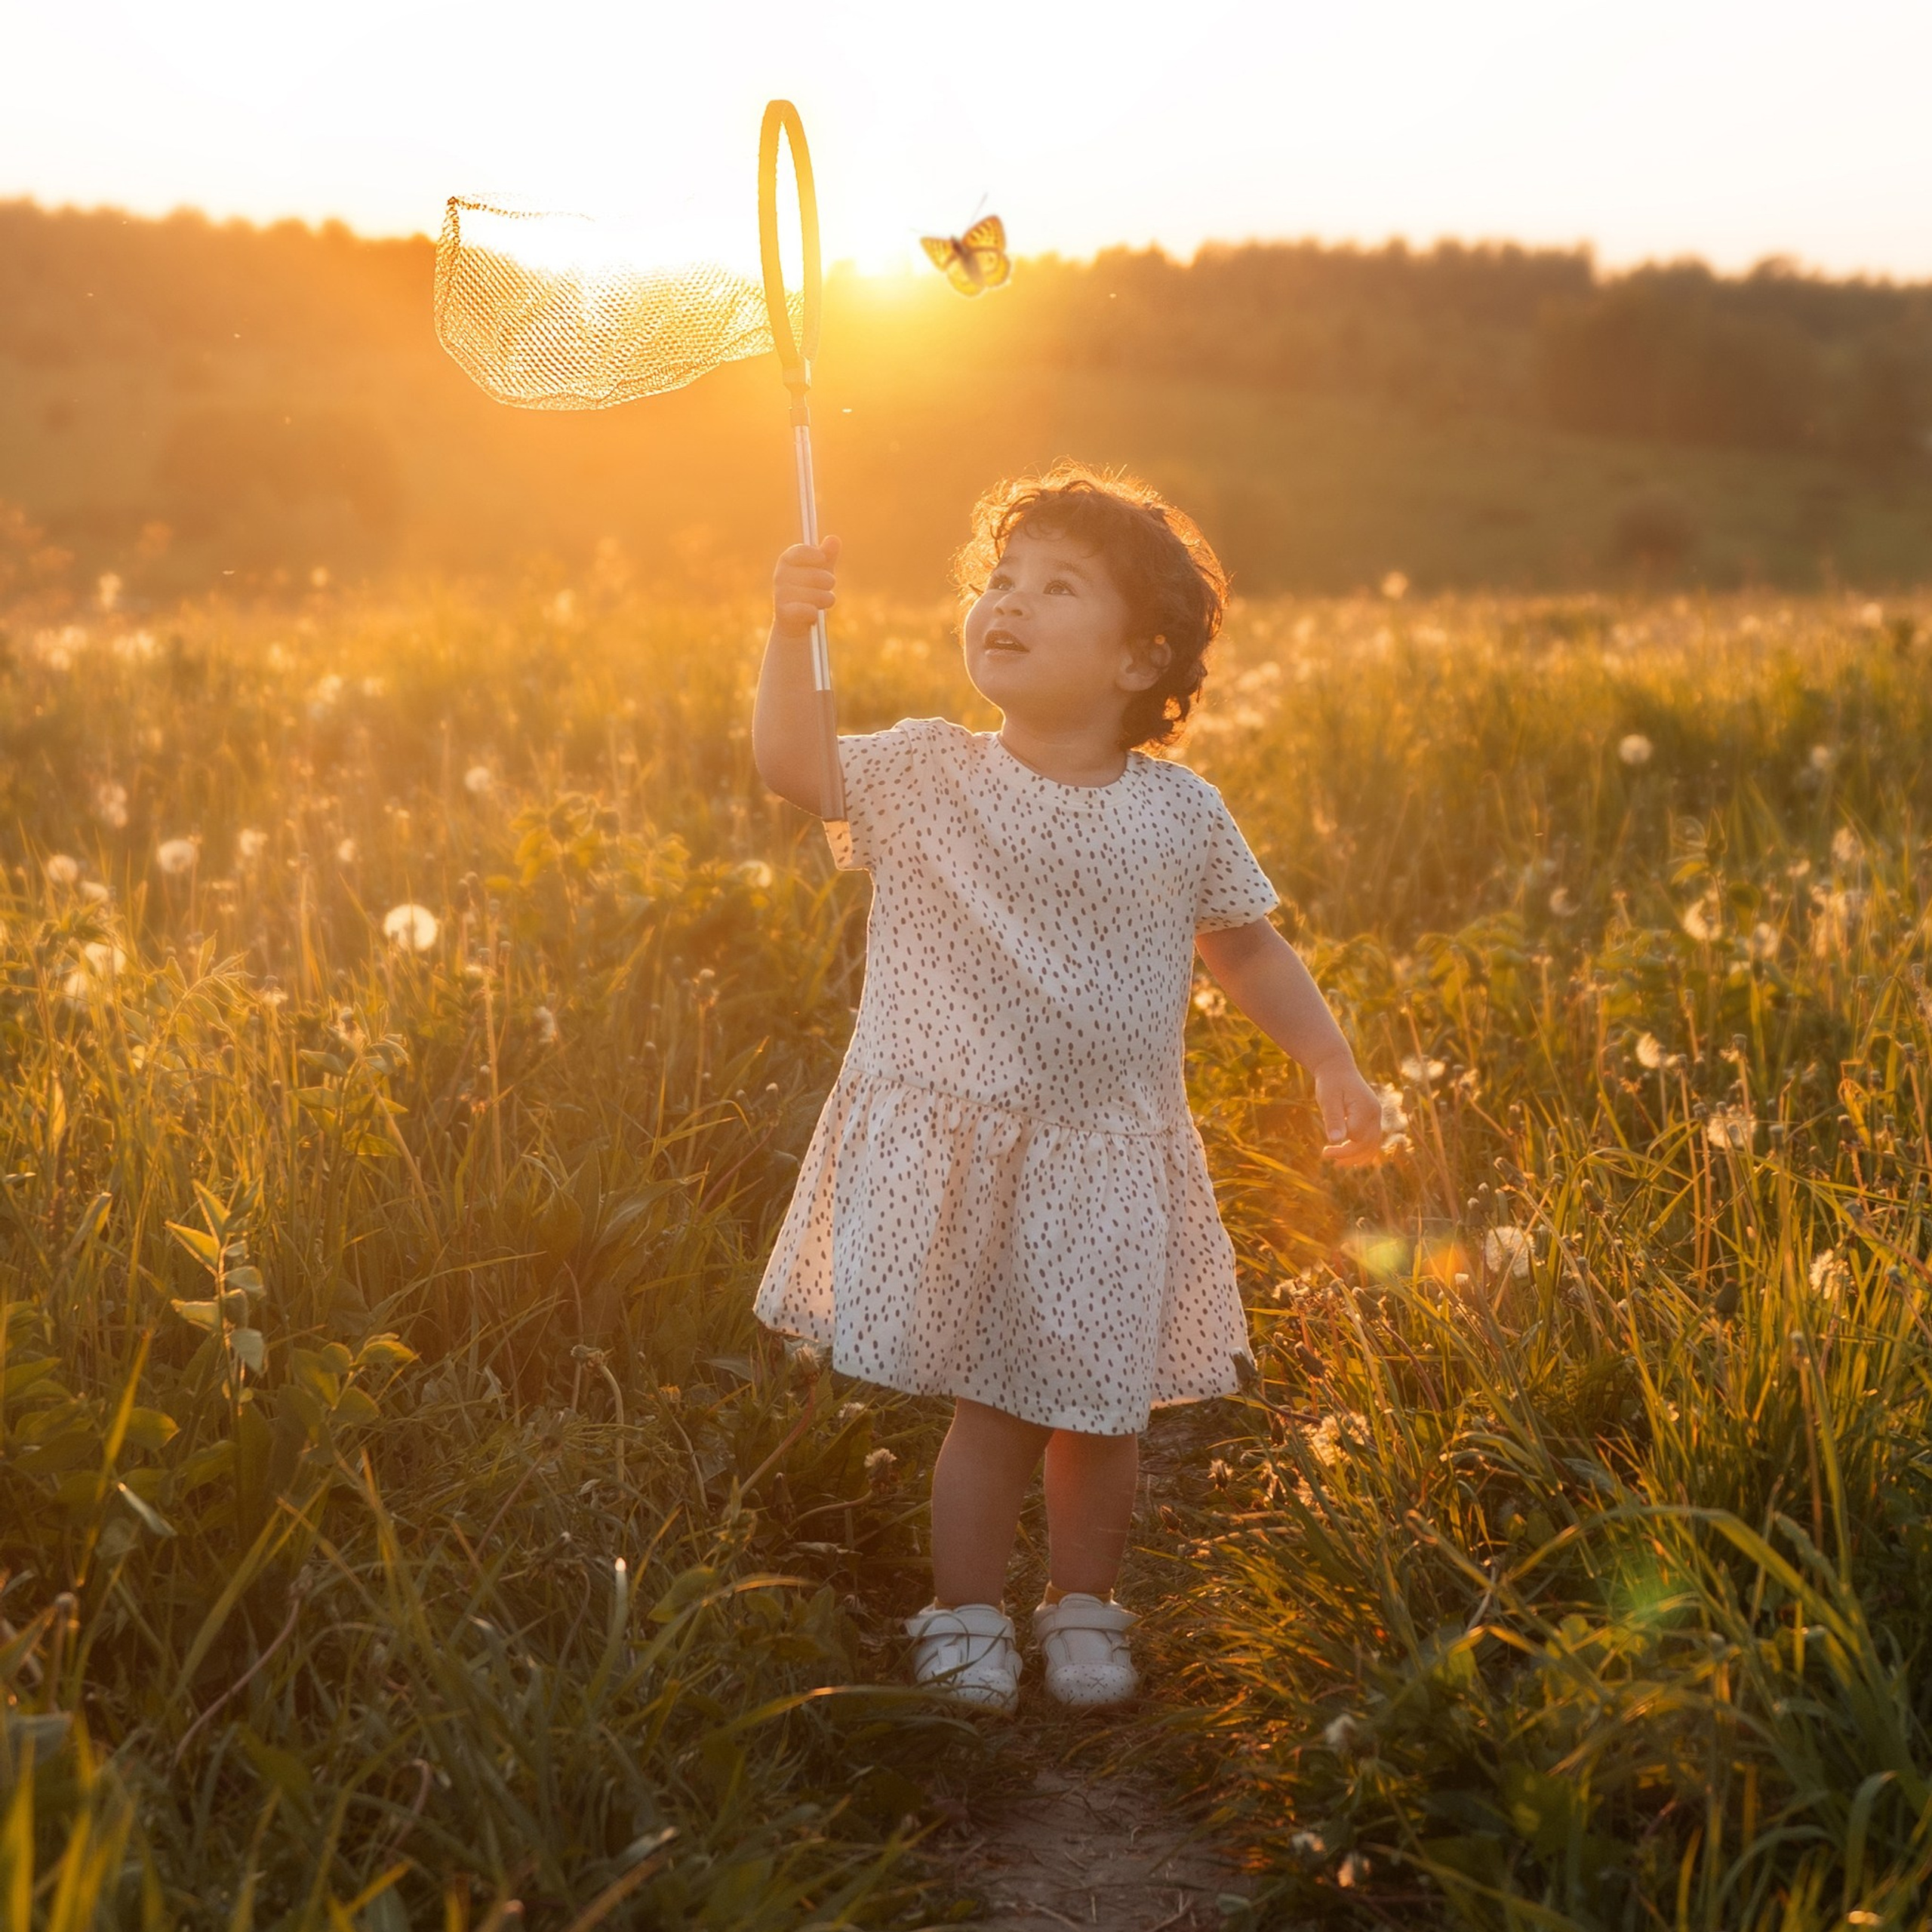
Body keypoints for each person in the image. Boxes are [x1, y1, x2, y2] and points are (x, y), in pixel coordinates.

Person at [750, 463, 1382, 1713]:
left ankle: (1085, 1603)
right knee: (993, 1404)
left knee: (1105, 1406)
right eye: (999, 580)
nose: (1009, 602)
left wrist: (1330, 1060)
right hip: (964, 1136)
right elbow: (794, 767)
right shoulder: (928, 772)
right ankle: (967, 1610)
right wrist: (789, 628)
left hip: (1107, 1150)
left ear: (1140, 662)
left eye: (1056, 586)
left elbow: (1246, 945)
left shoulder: (1179, 814)